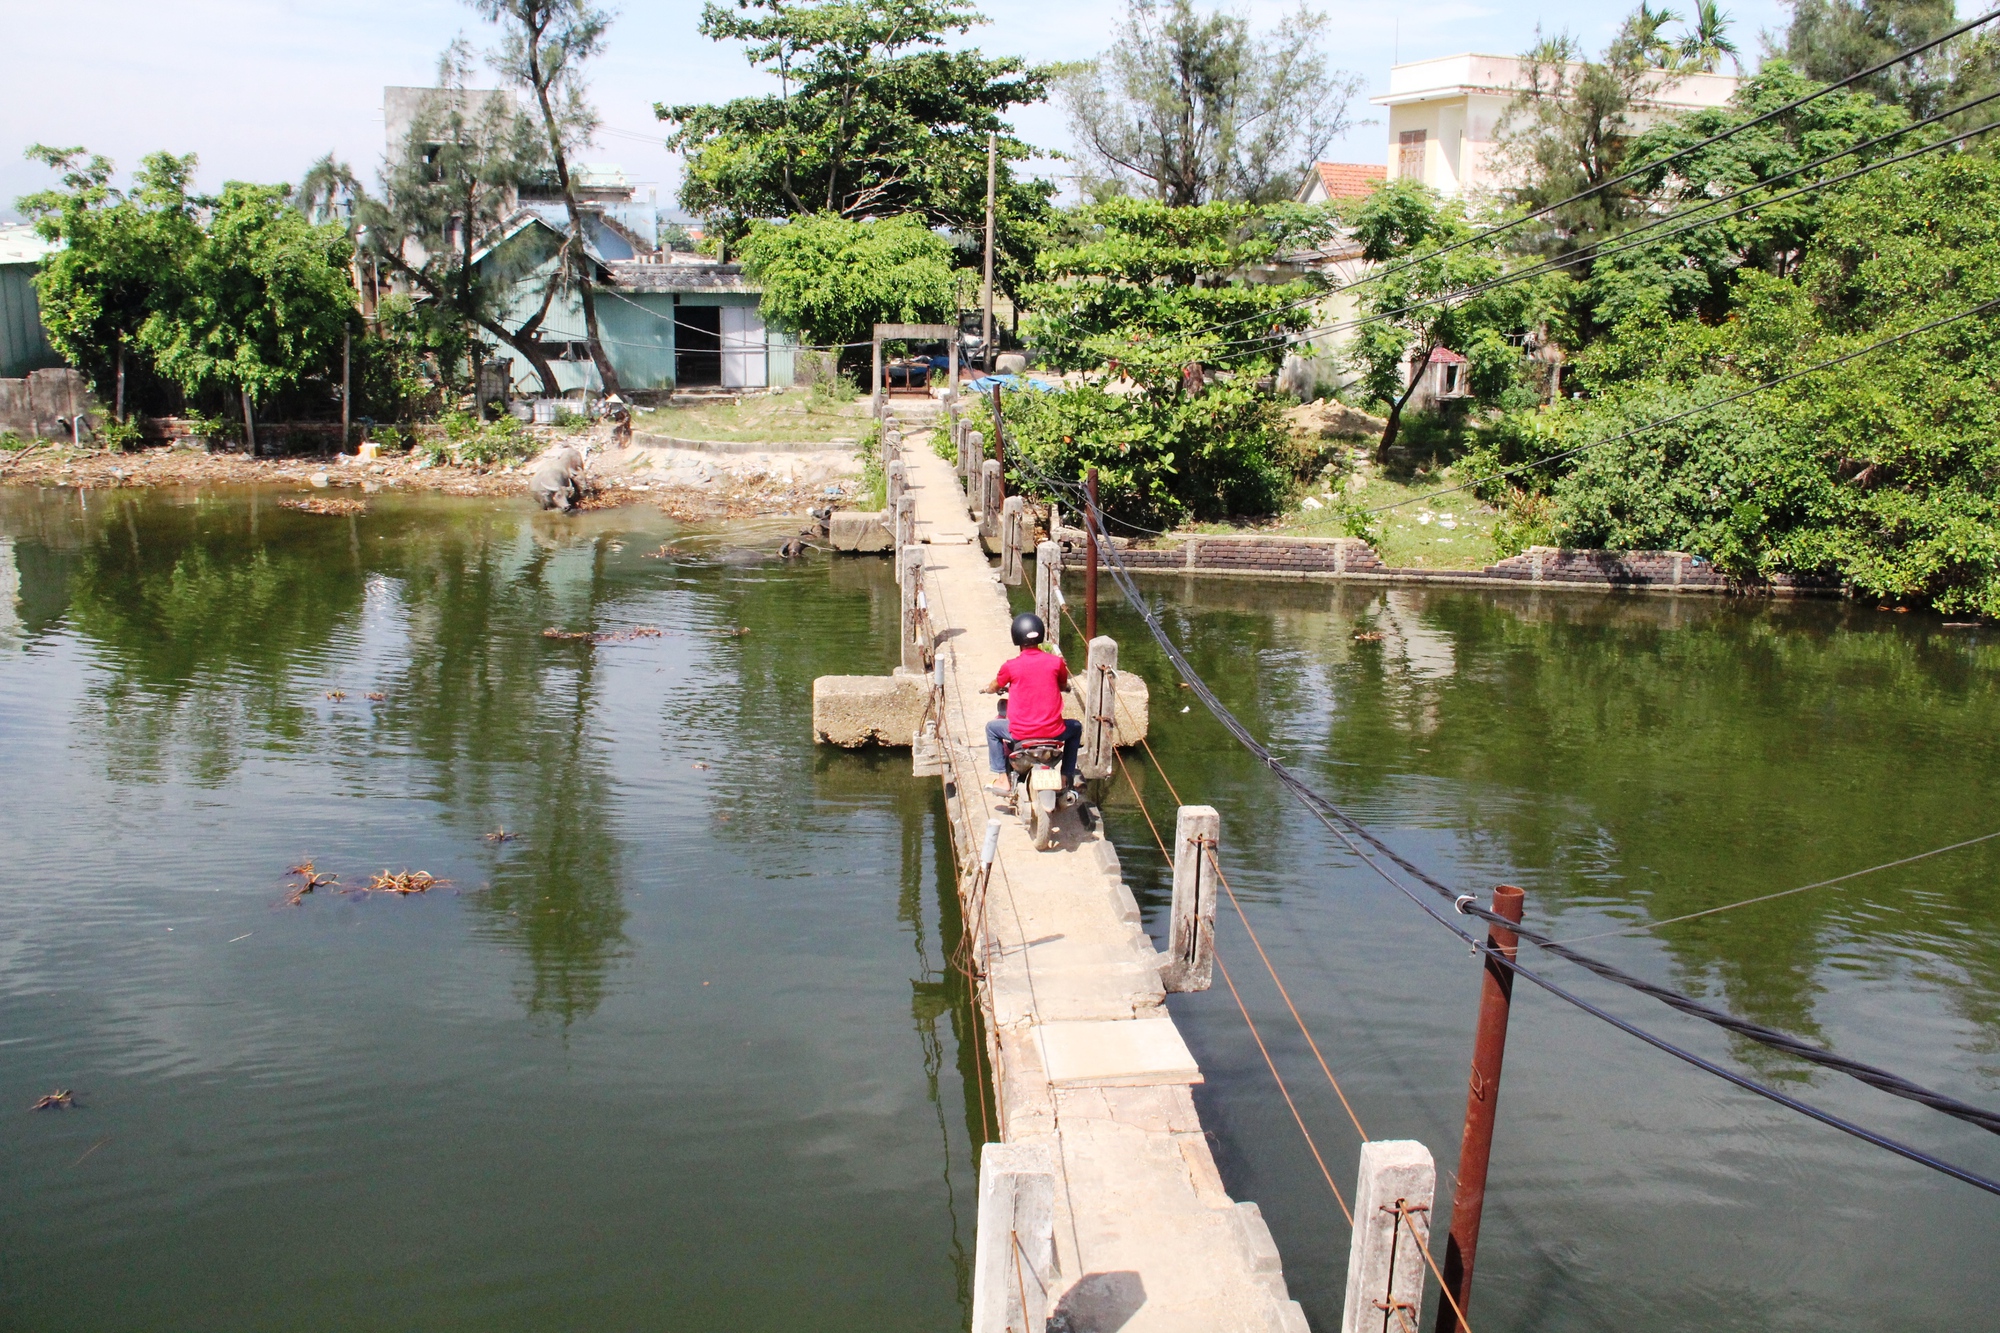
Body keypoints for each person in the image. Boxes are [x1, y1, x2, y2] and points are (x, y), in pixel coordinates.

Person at [979, 612, 1083, 798]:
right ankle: (1066, 776)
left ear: (1016, 637)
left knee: (991, 728)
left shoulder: (1011, 666)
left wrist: (988, 689)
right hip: (1054, 732)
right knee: (1076, 727)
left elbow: (996, 685)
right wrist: (1064, 687)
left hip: (1021, 733)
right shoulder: (1056, 663)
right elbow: (1061, 684)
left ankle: (1003, 778)